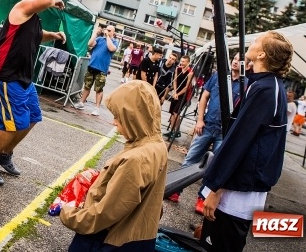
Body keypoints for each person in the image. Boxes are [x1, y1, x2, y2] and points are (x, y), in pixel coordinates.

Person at [199, 31, 293, 252]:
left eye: (257, 41)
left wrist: (216, 188)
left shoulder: (265, 89)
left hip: (237, 192)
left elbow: (240, 142)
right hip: (241, 186)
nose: (252, 42)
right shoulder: (267, 85)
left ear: (262, 54)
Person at [0, 0, 66, 186]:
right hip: (5, 74)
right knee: (11, 123)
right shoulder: (23, 6)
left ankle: (4, 154)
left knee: (33, 117)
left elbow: (37, 35)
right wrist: (55, 0)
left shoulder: (32, 16)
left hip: (23, 77)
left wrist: (53, 35)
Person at [60, 81, 168, 250]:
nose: (114, 122)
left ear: (133, 117)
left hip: (109, 240)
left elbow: (106, 213)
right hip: (139, 236)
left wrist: (68, 213)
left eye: (118, 116)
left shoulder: (134, 159)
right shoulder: (157, 145)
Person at [166, 53, 242, 208]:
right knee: (191, 159)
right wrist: (200, 120)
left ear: (246, 65)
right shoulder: (218, 76)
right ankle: (176, 190)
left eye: (239, 60)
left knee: (215, 165)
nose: (235, 62)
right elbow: (204, 97)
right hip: (207, 125)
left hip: (225, 131)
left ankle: (202, 198)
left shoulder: (245, 84)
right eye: (234, 59)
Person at [74, 25, 118, 116]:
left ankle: (97, 108)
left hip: (102, 69)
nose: (107, 31)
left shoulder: (114, 42)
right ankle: (81, 102)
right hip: (92, 66)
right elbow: (90, 44)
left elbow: (111, 48)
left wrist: (108, 37)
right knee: (87, 86)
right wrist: (95, 33)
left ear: (113, 33)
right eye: (106, 29)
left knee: (99, 89)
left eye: (109, 30)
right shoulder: (99, 39)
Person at [165, 55, 194, 139]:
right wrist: (175, 92)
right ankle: (172, 130)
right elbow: (175, 81)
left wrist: (178, 94)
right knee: (172, 112)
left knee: (176, 112)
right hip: (176, 92)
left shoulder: (190, 73)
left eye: (183, 62)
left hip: (184, 95)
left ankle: (177, 130)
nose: (181, 63)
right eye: (181, 61)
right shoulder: (178, 69)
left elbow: (187, 87)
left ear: (188, 62)